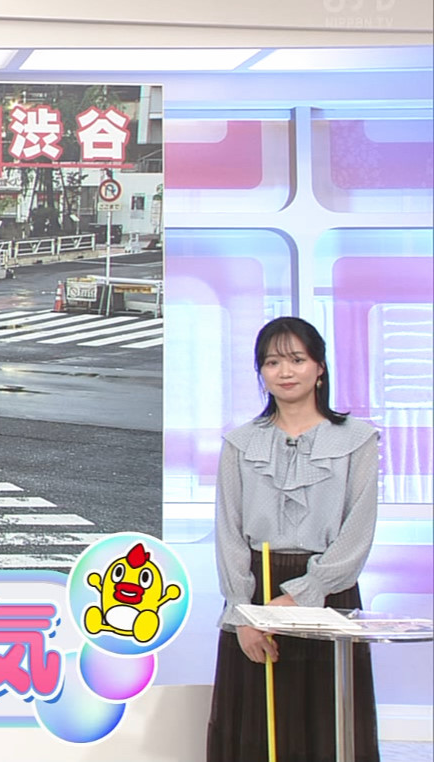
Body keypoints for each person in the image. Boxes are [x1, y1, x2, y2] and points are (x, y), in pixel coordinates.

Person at [207, 317, 381, 762]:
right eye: (272, 362)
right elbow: (228, 532)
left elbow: (357, 532)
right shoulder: (240, 443)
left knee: (327, 721)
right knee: (257, 724)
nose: (284, 371)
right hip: (255, 592)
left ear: (319, 367)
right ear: (261, 373)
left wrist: (304, 594)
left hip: (330, 593)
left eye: (297, 360)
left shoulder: (358, 439)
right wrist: (243, 614)